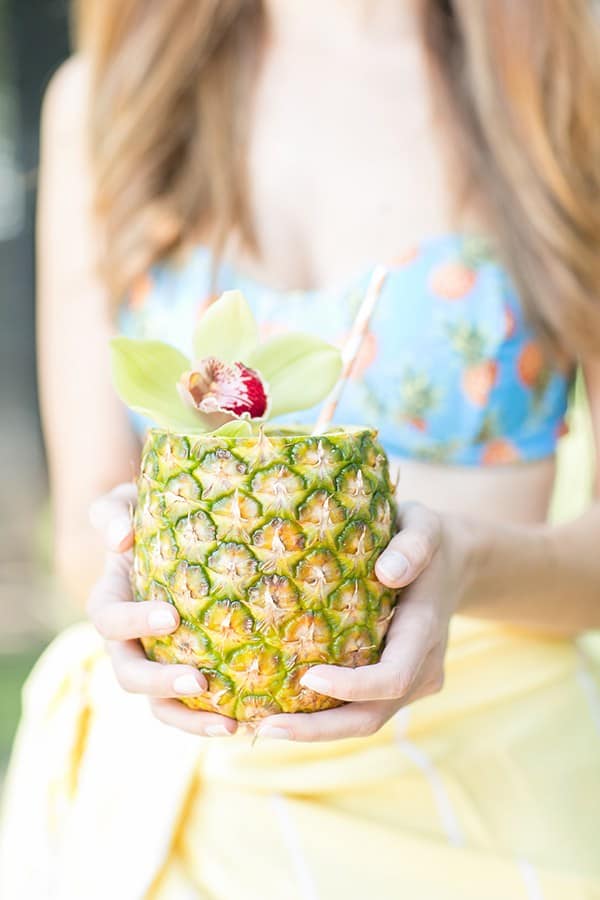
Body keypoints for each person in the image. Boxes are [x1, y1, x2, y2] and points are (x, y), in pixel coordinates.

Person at [2, 1, 600, 897]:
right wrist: (126, 570)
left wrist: (469, 562)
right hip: (176, 793)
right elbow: (89, 511)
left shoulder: (565, 73)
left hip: (488, 787)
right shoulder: (110, 98)